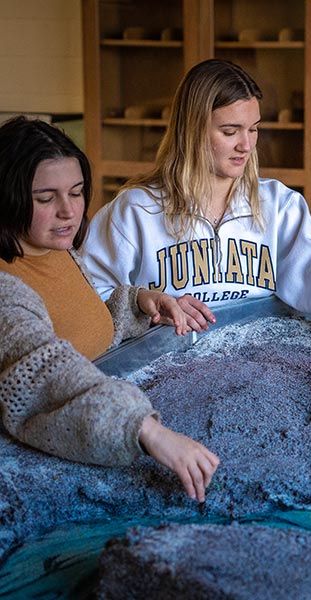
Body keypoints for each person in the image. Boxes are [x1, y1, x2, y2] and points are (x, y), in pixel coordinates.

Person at [81, 59, 311, 396]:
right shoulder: (136, 212)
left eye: (253, 129)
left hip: (261, 377)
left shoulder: (277, 206)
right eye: (229, 131)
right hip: (171, 381)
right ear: (190, 131)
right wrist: (142, 301)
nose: (246, 145)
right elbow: (84, 306)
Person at [0, 116, 219, 502]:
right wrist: (148, 431)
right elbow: (46, 372)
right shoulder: (6, 288)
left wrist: (136, 303)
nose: (69, 211)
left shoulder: (57, 251)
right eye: (46, 198)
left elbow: (71, 327)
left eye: (77, 192)